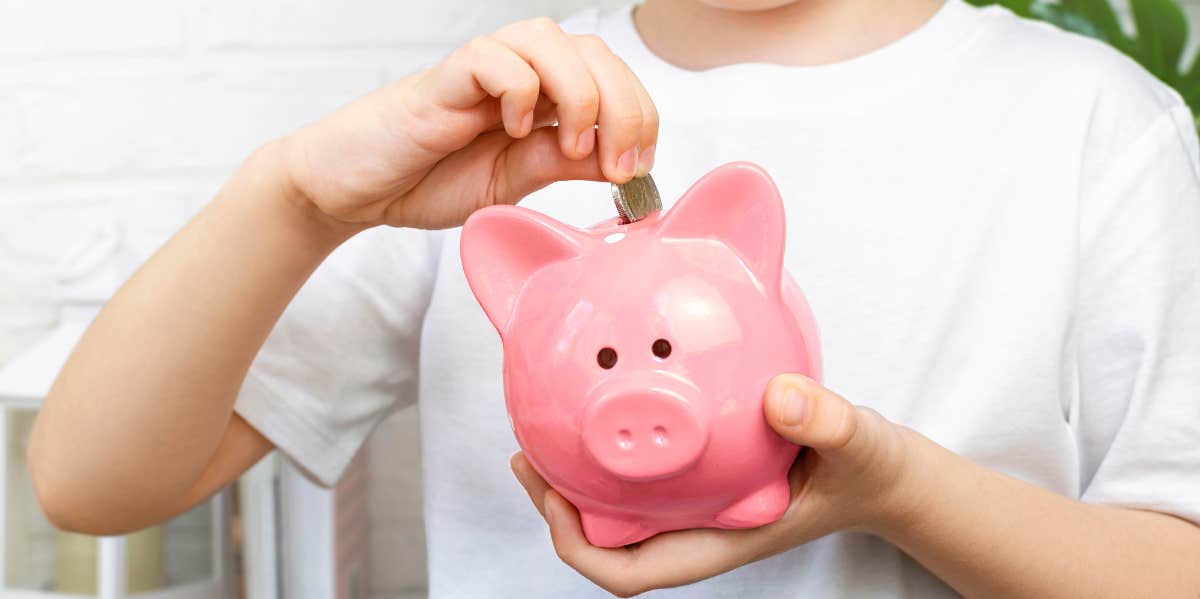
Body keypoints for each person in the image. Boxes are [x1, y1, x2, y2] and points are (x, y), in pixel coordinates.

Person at [27, 0, 1200, 596]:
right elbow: (92, 479)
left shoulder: (1093, 127)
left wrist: (895, 488)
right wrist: (294, 199)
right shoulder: (498, 128)